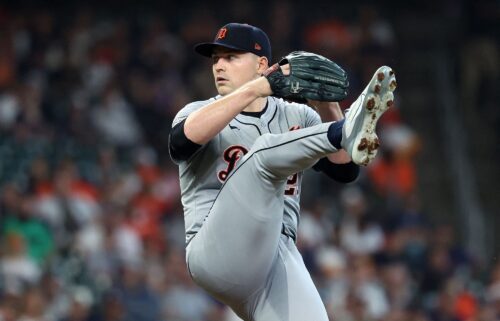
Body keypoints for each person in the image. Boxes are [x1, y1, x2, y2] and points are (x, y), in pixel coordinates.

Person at [168, 22, 396, 321]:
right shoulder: (199, 111)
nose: (219, 66)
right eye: (216, 59)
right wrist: (258, 87)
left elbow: (345, 169)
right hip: (215, 251)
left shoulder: (297, 114)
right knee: (263, 156)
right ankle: (343, 129)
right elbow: (180, 143)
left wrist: (326, 104)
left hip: (276, 255)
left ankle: (343, 128)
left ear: (261, 63)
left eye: (231, 57)